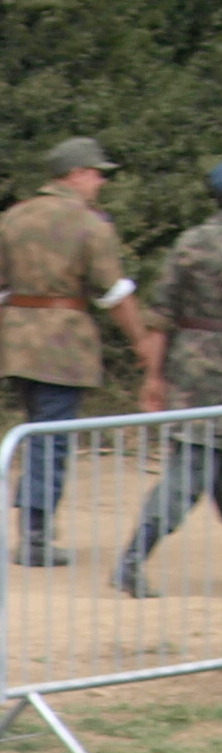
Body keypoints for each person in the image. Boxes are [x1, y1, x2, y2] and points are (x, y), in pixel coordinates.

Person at [0, 136, 157, 566]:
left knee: (38, 428)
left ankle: (34, 525)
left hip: (16, 341)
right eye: (96, 174)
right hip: (63, 344)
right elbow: (114, 292)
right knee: (51, 436)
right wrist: (141, 341)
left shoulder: (14, 218)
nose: (99, 183)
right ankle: (35, 535)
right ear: (75, 174)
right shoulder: (90, 224)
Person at [114, 163, 222, 597]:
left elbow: (161, 317)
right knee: (189, 477)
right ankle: (131, 561)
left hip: (191, 368)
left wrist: (154, 378)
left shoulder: (190, 243)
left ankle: (134, 558)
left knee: (192, 469)